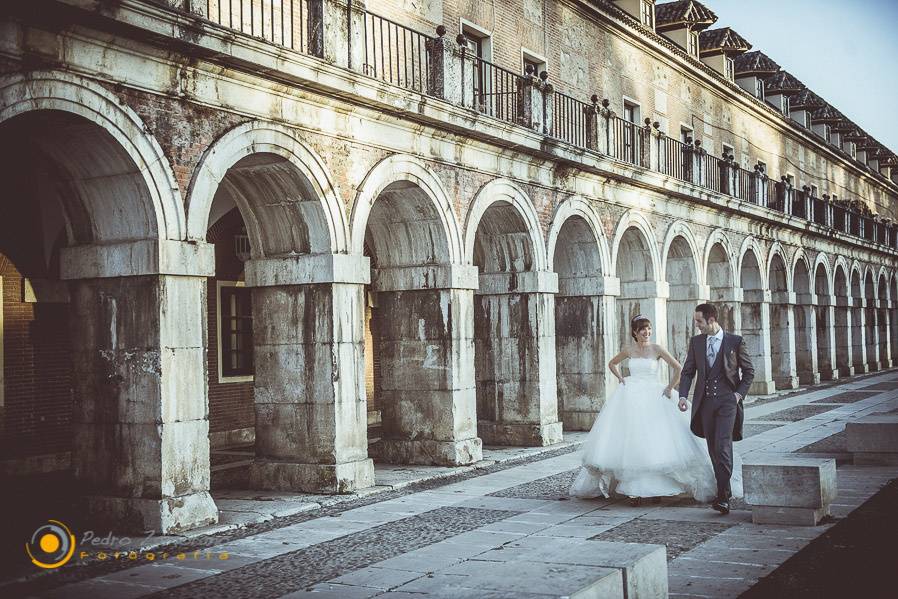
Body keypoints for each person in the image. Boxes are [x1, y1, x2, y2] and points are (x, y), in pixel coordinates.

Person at [569, 314, 734, 505]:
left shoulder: (657, 349)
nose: (647, 332)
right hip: (630, 395)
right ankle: (633, 490)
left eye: (649, 329)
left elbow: (679, 368)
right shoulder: (628, 349)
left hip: (654, 394)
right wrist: (621, 378)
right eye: (642, 330)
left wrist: (670, 387)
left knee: (655, 439)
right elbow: (612, 363)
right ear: (635, 332)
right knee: (631, 439)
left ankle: (656, 488)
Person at [677, 303, 754, 515]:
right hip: (706, 403)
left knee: (722, 446)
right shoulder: (697, 342)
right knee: (713, 448)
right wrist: (683, 395)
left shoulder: (735, 341)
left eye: (699, 321)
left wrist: (738, 395)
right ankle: (724, 491)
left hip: (728, 402)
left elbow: (749, 372)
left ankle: (723, 496)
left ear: (711, 320)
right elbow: (687, 372)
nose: (697, 325)